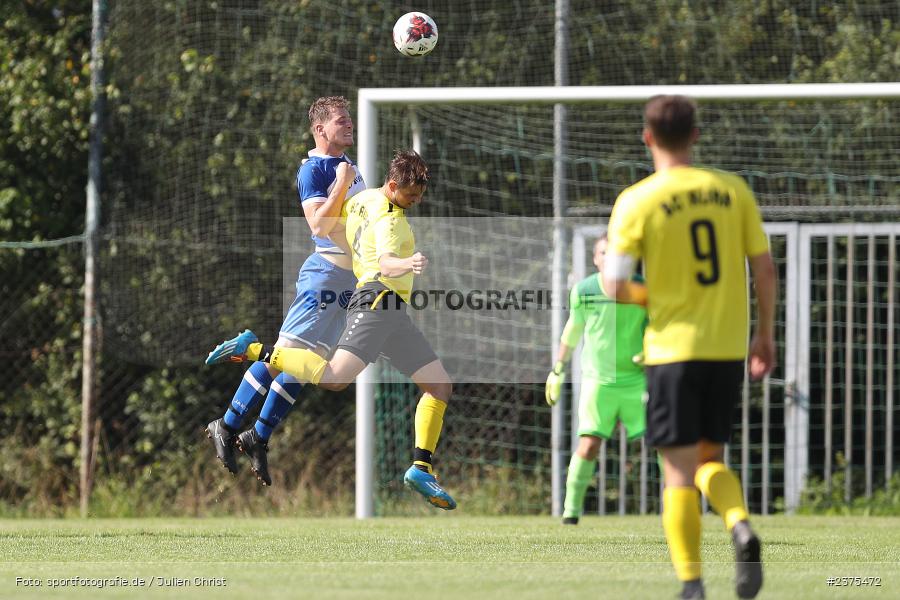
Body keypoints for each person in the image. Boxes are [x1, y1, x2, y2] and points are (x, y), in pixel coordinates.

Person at [207, 150, 457, 510]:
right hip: (376, 302)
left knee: (439, 385)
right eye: (411, 195)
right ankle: (253, 350)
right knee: (335, 377)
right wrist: (409, 262)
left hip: (391, 311)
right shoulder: (391, 222)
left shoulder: (364, 199)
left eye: (419, 195)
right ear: (392, 185)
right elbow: (387, 261)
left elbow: (341, 227)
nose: (415, 201)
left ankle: (421, 467)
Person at [602, 95, 776, 600]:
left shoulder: (637, 200)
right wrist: (764, 334)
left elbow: (614, 285)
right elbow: (764, 268)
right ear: (696, 135)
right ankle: (739, 522)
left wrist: (652, 295)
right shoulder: (731, 190)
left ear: (648, 137)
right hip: (725, 349)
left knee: (677, 471)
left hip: (671, 351)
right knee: (709, 457)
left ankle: (692, 585)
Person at [205, 96, 366, 486]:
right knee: (286, 355)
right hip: (324, 277)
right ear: (320, 129)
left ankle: (257, 436)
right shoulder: (315, 170)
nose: (349, 125)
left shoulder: (349, 166)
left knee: (305, 365)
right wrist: (342, 185)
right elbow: (318, 226)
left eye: (349, 120)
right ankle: (225, 425)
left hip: (347, 283)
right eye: (341, 121)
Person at [545, 233, 647, 525]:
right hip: (598, 382)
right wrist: (558, 369)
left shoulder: (642, 290)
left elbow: (657, 328)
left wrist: (651, 351)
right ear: (595, 258)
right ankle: (570, 512)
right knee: (588, 444)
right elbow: (572, 331)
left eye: (615, 254)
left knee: (662, 444)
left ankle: (675, 509)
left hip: (637, 381)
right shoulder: (584, 291)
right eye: (603, 253)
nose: (609, 258)